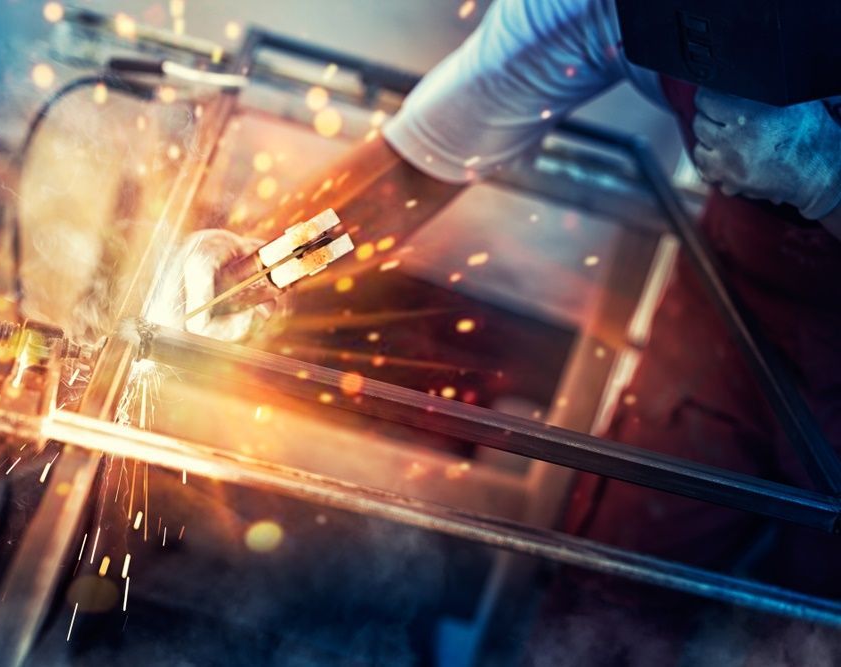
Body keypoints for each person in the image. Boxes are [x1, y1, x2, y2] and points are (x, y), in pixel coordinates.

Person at [172, 0, 841, 659]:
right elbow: (416, 164)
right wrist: (262, 266)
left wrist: (830, 179)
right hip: (727, 303)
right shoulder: (599, 8)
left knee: (815, 612)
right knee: (614, 576)